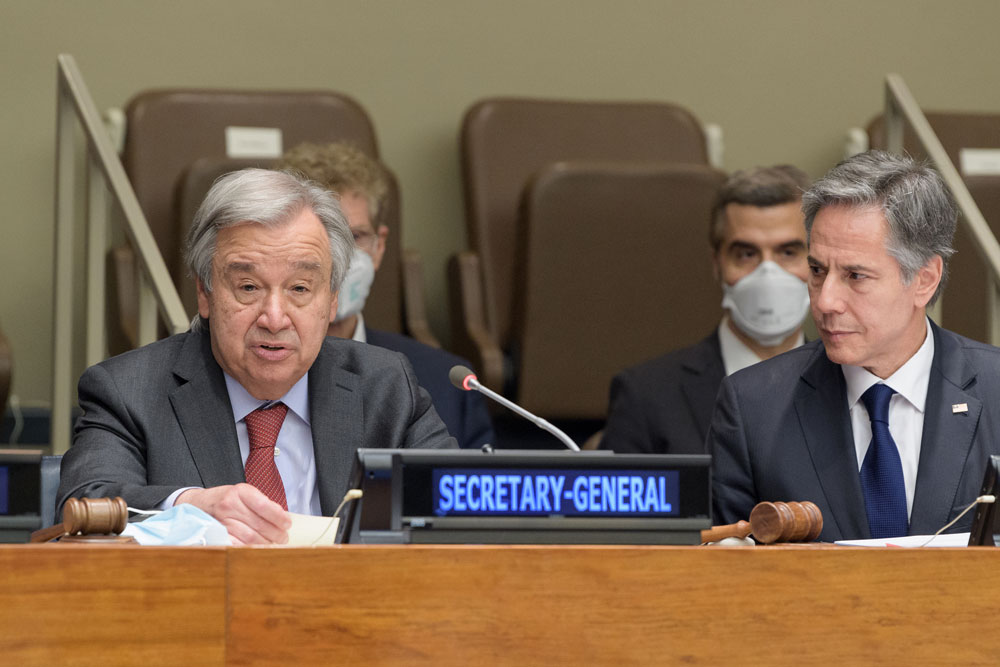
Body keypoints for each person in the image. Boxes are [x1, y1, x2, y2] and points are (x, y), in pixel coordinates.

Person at [57, 169, 457, 544]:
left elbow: (461, 505)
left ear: (331, 300)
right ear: (205, 293)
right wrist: (188, 507)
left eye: (300, 288)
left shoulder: (384, 385)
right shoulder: (128, 391)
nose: (274, 317)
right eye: (248, 287)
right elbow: (83, 509)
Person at [710, 150, 1000, 541]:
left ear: (924, 280)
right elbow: (719, 573)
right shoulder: (753, 407)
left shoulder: (995, 390)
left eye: (855, 276)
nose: (825, 301)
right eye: (817, 271)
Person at [276, 142, 495, 449]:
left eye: (355, 237)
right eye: (322, 235)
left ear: (379, 247)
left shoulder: (445, 382)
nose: (339, 258)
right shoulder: (251, 370)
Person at [601, 165, 811, 454]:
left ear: (816, 262)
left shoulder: (848, 382)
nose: (768, 273)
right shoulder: (647, 395)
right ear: (717, 263)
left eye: (788, 252)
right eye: (746, 254)